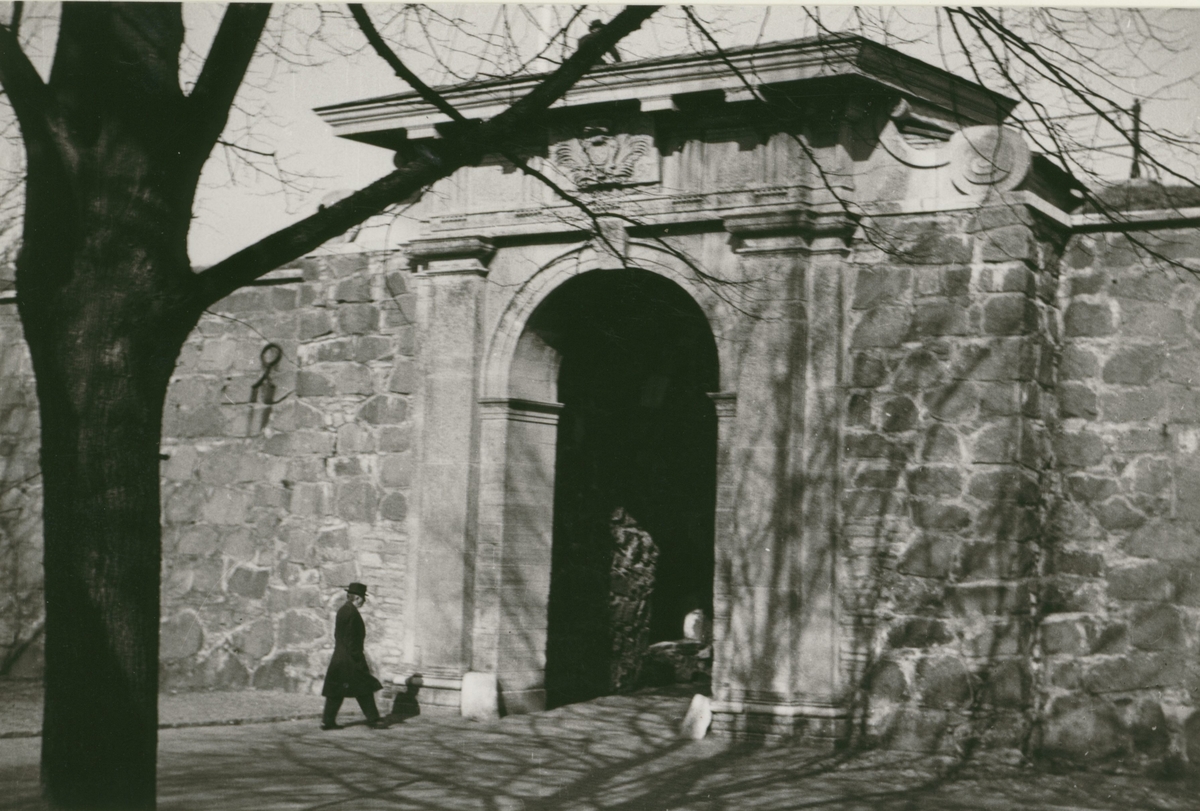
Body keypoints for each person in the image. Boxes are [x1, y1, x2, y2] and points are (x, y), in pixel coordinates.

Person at [321, 582, 385, 730]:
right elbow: (351, 639)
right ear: (357, 598)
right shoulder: (351, 612)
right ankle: (374, 719)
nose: (364, 601)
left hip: (340, 657)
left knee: (337, 690)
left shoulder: (343, 610)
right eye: (363, 597)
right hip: (350, 659)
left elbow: (339, 635)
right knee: (364, 687)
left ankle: (328, 721)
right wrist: (358, 658)